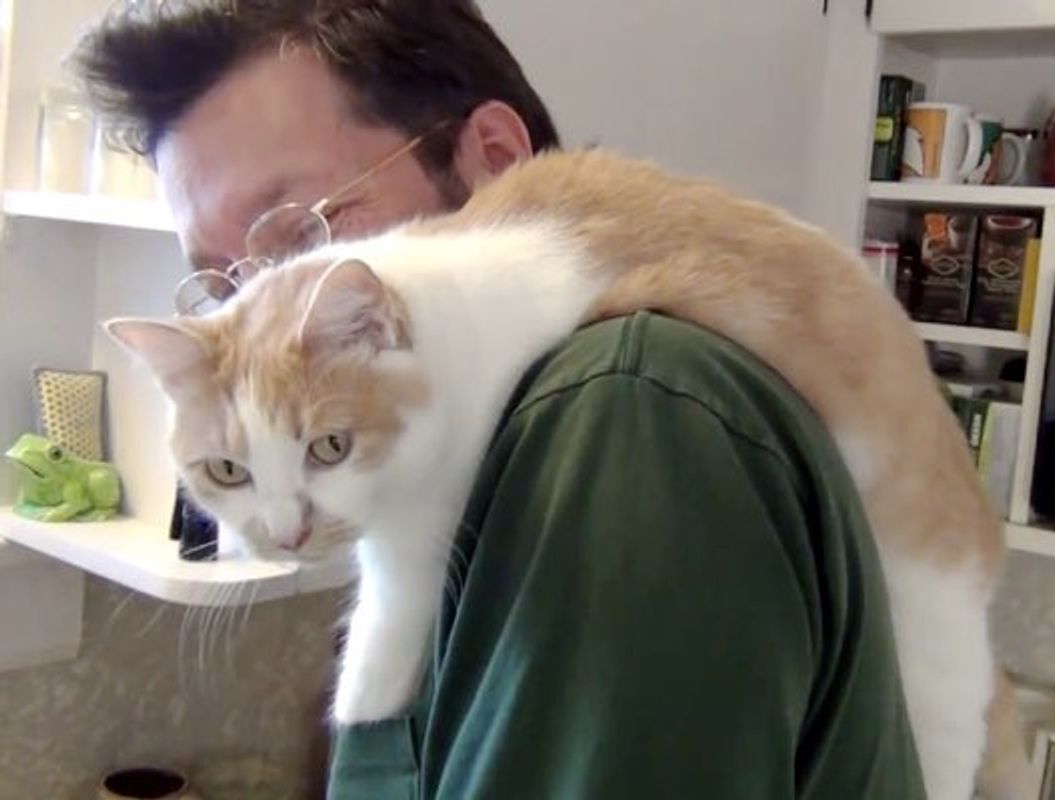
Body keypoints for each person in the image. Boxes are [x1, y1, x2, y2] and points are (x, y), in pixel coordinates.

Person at [74, 3, 926, 798]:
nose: (260, 323)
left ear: (496, 159)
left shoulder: (627, 411)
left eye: (298, 236)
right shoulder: (476, 462)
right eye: (219, 283)